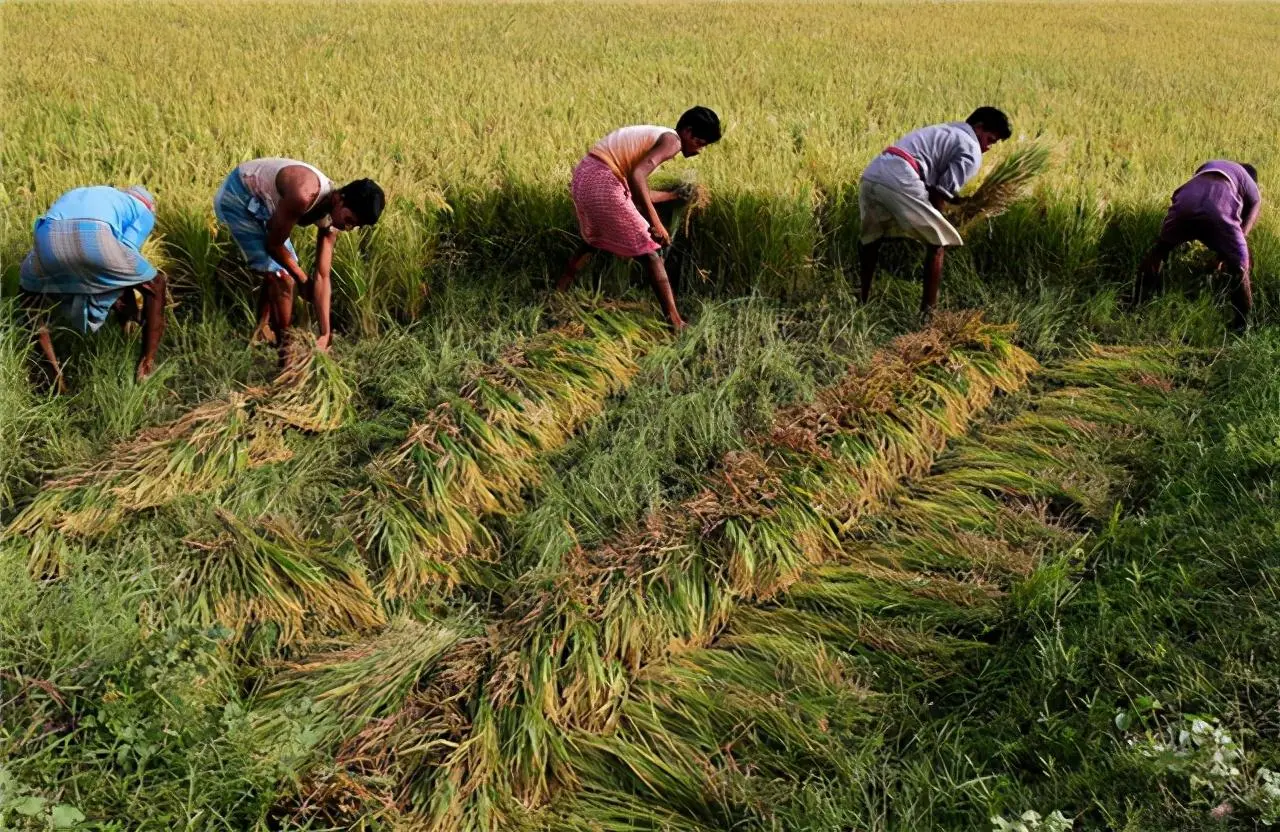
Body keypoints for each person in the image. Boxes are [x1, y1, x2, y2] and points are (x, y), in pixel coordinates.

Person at [557, 106, 723, 332]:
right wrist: (656, 224)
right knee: (650, 253)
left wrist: (673, 196)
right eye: (700, 142)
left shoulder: (658, 136)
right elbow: (637, 176)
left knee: (592, 241)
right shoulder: (671, 141)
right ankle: (675, 322)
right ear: (687, 131)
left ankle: (558, 293)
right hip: (604, 180)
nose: (700, 149)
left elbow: (634, 191)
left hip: (586, 176)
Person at [214, 158, 385, 354]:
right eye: (349, 220)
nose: (348, 227)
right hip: (240, 195)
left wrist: (325, 333)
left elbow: (323, 275)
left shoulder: (332, 218)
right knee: (284, 277)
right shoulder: (304, 195)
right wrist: (302, 279)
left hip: (266, 205)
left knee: (282, 268)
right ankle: (285, 353)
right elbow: (274, 245)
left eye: (354, 226)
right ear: (339, 199)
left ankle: (261, 330)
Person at [857, 107, 1012, 315]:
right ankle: (928, 316)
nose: (988, 147)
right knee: (938, 242)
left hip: (873, 173)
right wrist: (942, 219)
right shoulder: (971, 148)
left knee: (871, 239)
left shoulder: (946, 130)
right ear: (979, 127)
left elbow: (931, 183)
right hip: (900, 177)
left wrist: (959, 202)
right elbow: (939, 196)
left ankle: (861, 299)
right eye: (990, 139)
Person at [19, 185, 167, 389]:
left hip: (47, 238)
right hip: (95, 237)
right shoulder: (143, 210)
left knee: (28, 291)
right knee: (156, 284)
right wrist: (127, 308)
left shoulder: (98, 195)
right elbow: (125, 259)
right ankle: (147, 365)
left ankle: (52, 373)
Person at [1136, 161, 1260, 331]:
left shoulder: (1211, 165)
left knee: (1158, 252)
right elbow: (1241, 225)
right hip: (1218, 207)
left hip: (1186, 200)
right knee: (1240, 268)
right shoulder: (1251, 186)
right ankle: (1243, 327)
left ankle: (1137, 306)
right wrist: (1235, 253)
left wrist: (1220, 254)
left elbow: (1200, 198)